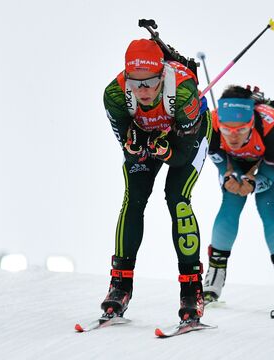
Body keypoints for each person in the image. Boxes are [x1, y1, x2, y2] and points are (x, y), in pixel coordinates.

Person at [101, 38, 212, 322]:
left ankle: (192, 290)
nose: (143, 91)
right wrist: (134, 145)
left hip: (189, 140)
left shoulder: (184, 92)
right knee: (134, 197)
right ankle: (119, 286)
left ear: (162, 75)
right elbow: (127, 145)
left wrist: (166, 149)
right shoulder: (114, 95)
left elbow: (182, 157)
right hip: (151, 135)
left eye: (149, 82)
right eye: (135, 83)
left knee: (177, 197)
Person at [203, 85, 274, 310]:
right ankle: (213, 281)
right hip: (236, 159)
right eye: (227, 130)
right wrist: (229, 176)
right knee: (231, 199)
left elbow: (268, 174)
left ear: (251, 124)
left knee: (267, 203)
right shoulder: (211, 126)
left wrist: (254, 182)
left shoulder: (273, 129)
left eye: (241, 130)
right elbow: (222, 164)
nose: (233, 136)